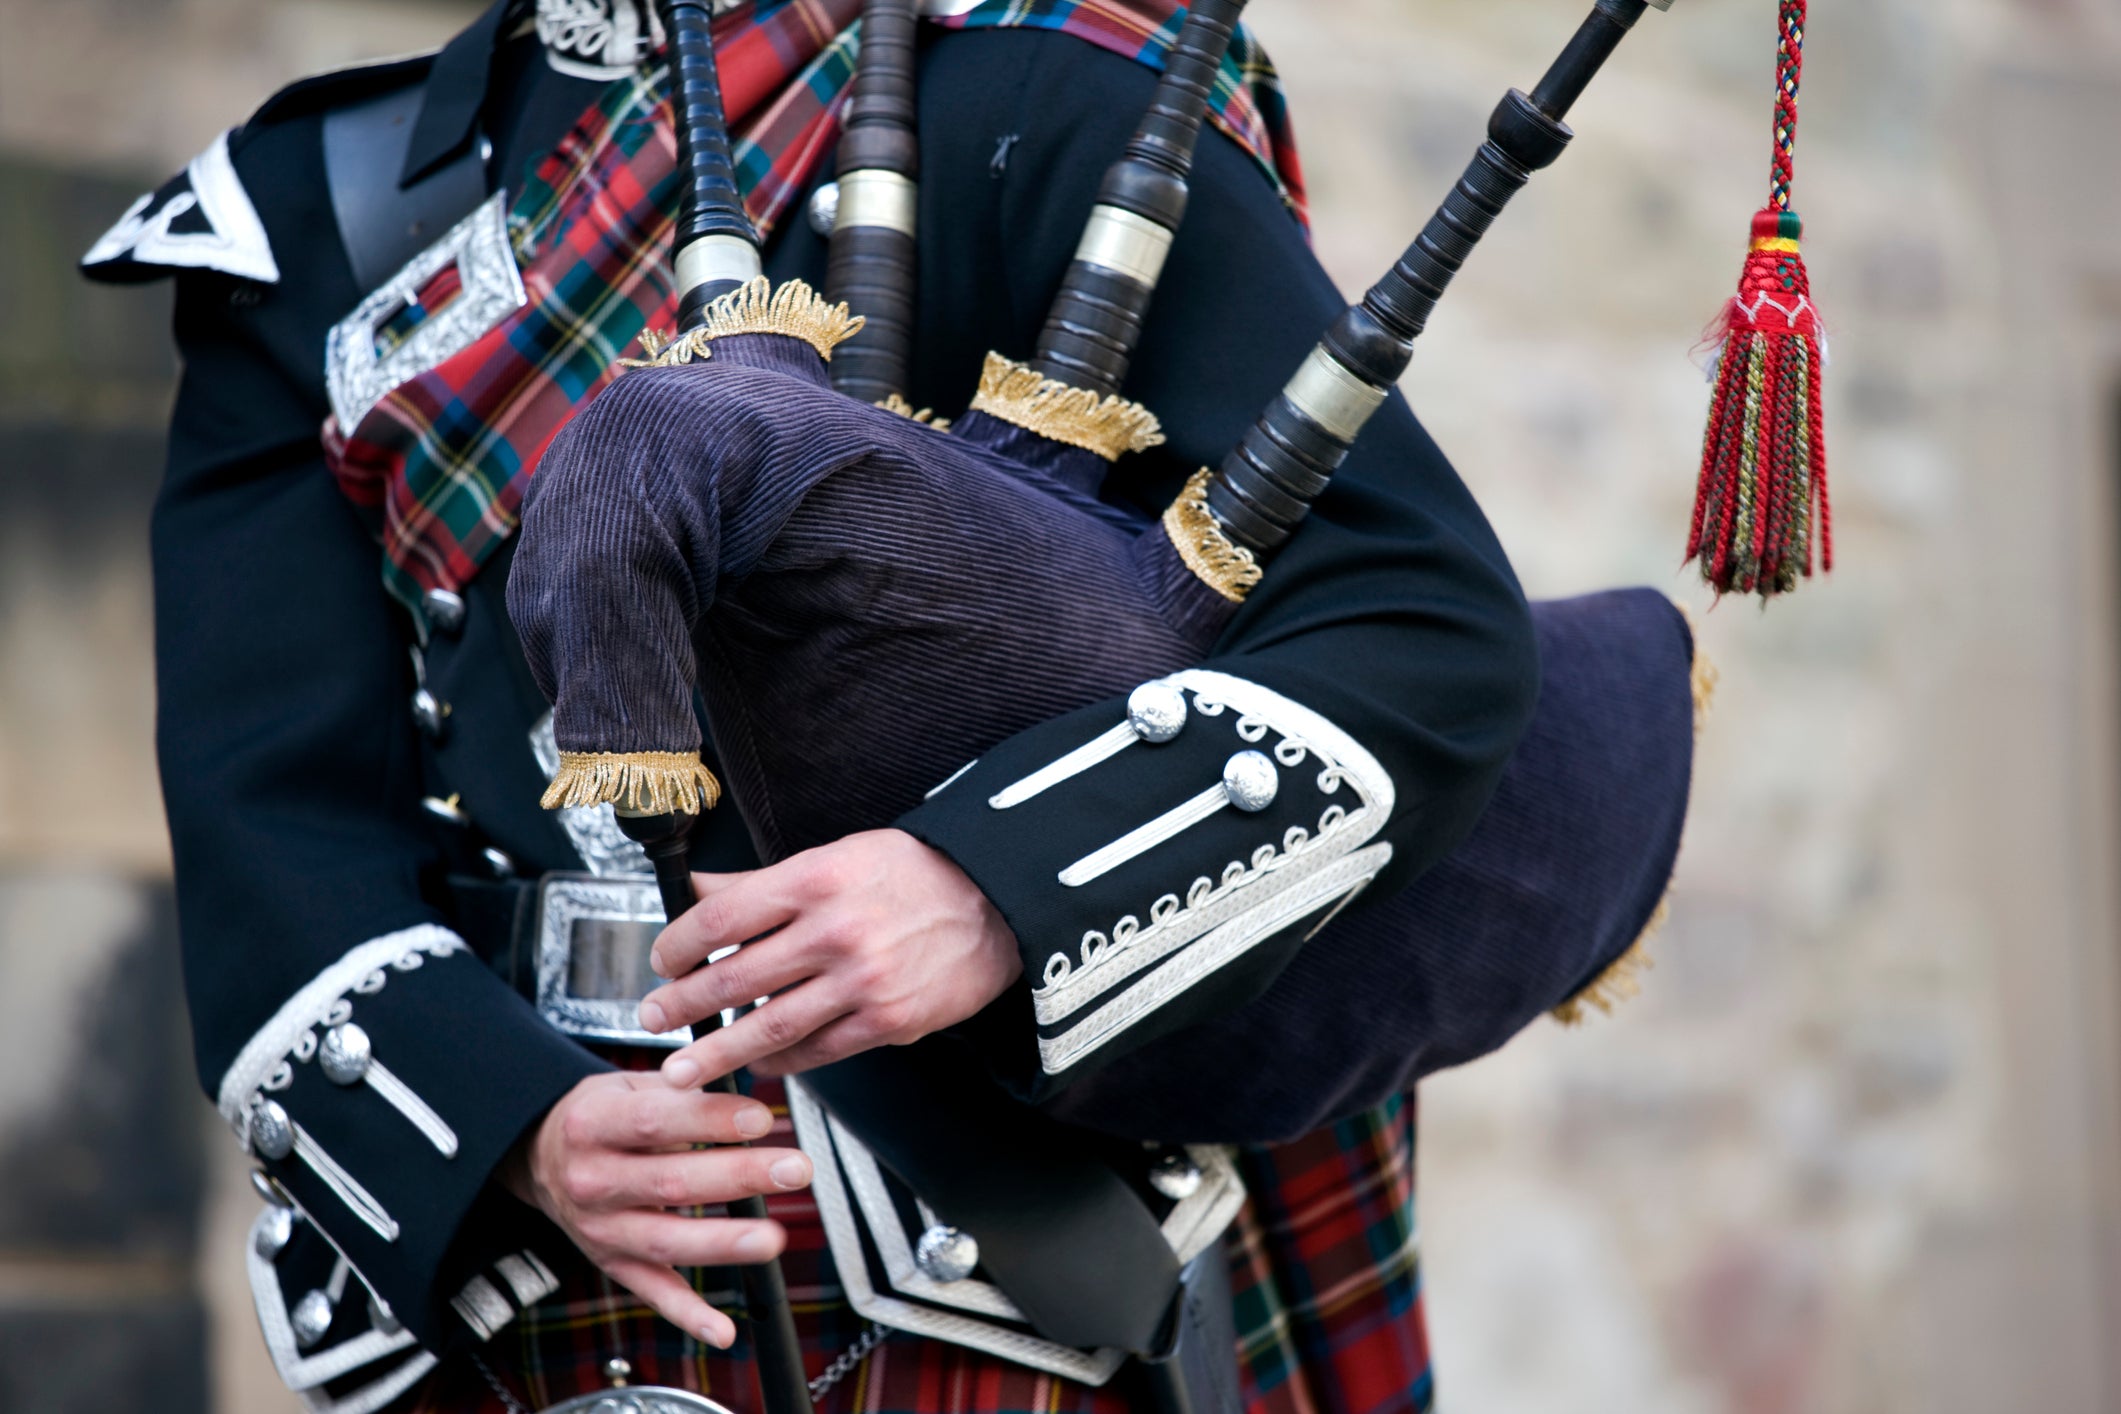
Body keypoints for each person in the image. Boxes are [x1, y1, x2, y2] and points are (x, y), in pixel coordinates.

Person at [83, 1, 1670, 1409]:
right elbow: (265, 805)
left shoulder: (1051, 95)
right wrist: (505, 1127)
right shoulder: (315, 219)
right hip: (521, 1265)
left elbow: (1413, 628)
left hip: (994, 1244)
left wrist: (988, 888)